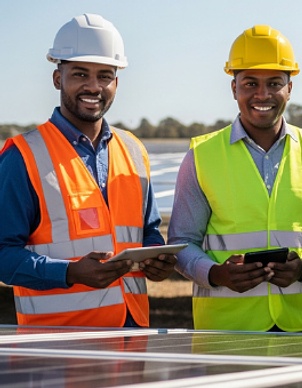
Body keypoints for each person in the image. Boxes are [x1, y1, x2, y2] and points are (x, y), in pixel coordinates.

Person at [0, 14, 174, 328]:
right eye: (80, 74)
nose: (93, 86)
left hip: (132, 334)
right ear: (57, 78)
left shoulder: (134, 150)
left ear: (116, 83)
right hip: (58, 344)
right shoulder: (21, 156)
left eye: (105, 75)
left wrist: (156, 258)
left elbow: (147, 233)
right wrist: (69, 273)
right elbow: (2, 253)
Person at [168, 25, 302, 332]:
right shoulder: (201, 155)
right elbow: (181, 243)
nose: (263, 95)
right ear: (234, 88)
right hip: (224, 333)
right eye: (250, 83)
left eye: (275, 83)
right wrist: (216, 274)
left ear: (290, 88)